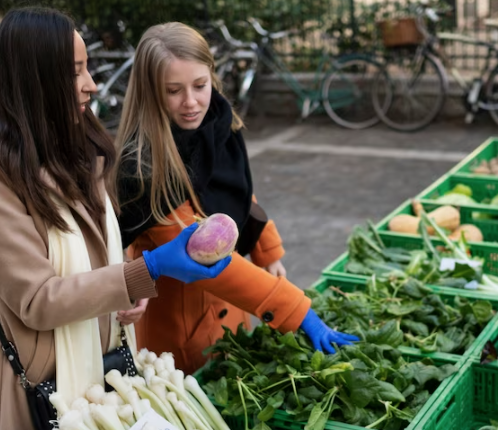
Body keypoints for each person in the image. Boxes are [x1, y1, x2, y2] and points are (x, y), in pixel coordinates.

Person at [0, 8, 229, 430]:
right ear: (35, 79)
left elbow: (99, 247)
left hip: (103, 364)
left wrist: (127, 284)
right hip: (34, 379)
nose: (91, 84)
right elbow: (38, 299)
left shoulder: (80, 142)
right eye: (75, 71)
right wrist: (144, 271)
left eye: (87, 68)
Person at [113, 22, 357, 373]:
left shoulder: (217, 123)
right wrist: (296, 310)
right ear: (150, 92)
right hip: (183, 332)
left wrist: (265, 247)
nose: (191, 102)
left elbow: (237, 192)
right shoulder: (143, 167)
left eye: (200, 85)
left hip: (233, 313)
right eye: (173, 91)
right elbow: (202, 254)